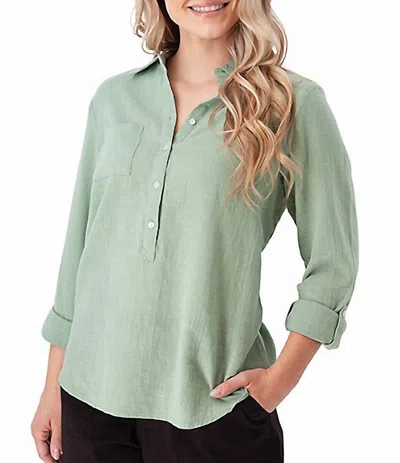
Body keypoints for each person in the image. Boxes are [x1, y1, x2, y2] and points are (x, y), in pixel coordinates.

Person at [31, 0, 359, 462]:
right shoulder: (113, 100)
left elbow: (334, 261)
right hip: (89, 399)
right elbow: (80, 250)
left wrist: (278, 382)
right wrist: (53, 386)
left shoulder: (293, 103)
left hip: (213, 407)